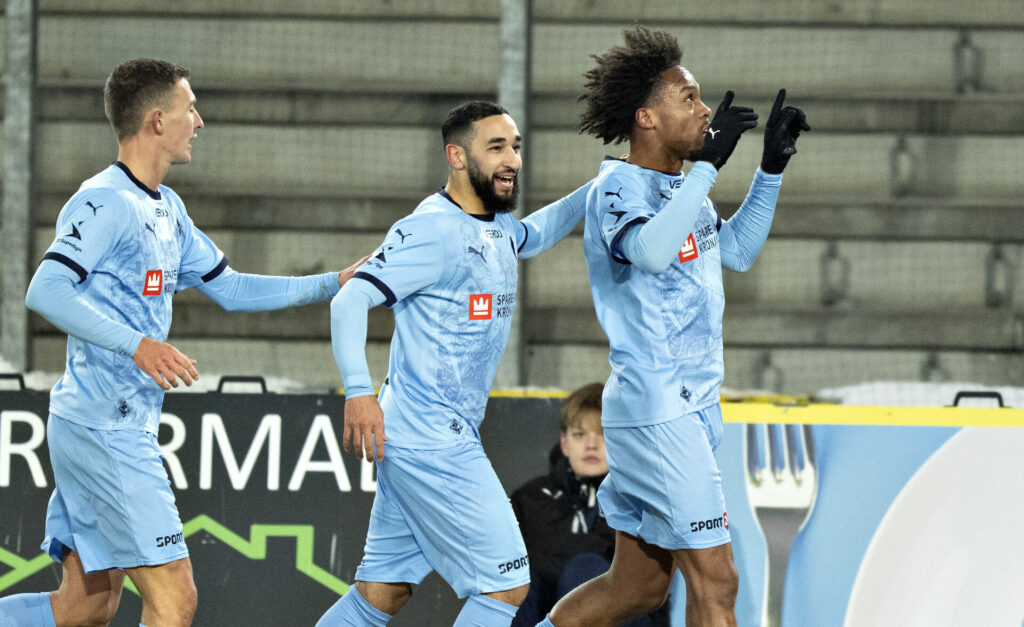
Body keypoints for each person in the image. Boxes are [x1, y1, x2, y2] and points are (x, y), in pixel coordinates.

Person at [0, 58, 365, 627]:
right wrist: (137, 345)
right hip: (105, 428)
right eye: (189, 107)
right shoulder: (104, 202)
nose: (199, 119)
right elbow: (45, 291)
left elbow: (235, 289)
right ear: (155, 121)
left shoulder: (167, 209)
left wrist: (333, 281)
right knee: (175, 598)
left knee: (84, 607)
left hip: (103, 423)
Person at [542, 27, 810, 627]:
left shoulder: (682, 187)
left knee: (637, 588)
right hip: (658, 408)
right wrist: (707, 172)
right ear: (648, 119)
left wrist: (769, 170)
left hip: (691, 406)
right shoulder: (618, 186)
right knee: (718, 579)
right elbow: (651, 251)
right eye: (688, 99)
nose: (705, 111)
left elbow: (733, 252)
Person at [317, 100, 591, 626]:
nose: (511, 159)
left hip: (426, 432)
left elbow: (534, 234)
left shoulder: (496, 229)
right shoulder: (430, 230)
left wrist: (602, 185)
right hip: (430, 437)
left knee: (383, 591)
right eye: (495, 148)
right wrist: (357, 392)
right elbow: (348, 301)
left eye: (515, 147)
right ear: (456, 157)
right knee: (506, 584)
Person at [510, 383, 668, 627]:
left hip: (625, 620)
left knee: (585, 569)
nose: (591, 445)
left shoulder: (643, 500)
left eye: (603, 433)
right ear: (564, 444)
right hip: (543, 615)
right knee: (515, 576)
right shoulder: (528, 499)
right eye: (580, 434)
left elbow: (648, 590)